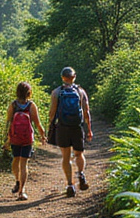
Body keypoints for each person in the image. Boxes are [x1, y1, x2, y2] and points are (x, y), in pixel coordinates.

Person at [48, 66, 92, 197]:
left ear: (62, 77)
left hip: (63, 127)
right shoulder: (81, 91)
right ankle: (81, 174)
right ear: (74, 77)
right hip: (77, 127)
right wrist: (89, 129)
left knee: (66, 157)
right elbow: (86, 112)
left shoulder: (56, 92)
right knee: (79, 154)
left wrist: (50, 125)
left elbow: (52, 112)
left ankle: (70, 185)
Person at [5, 81, 45, 201]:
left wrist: (6, 139)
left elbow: (8, 123)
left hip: (15, 137)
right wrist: (43, 135)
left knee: (15, 160)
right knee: (24, 164)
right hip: (27, 138)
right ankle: (22, 191)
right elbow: (37, 123)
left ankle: (17, 181)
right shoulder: (31, 105)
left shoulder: (13, 105)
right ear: (29, 93)